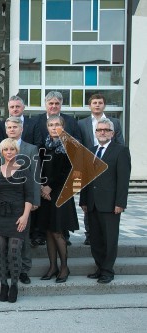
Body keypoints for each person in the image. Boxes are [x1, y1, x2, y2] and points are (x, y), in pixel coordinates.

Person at [0, 117, 40, 285]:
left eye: (14, 127)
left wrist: (34, 201)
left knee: (22, 238)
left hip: (23, 202)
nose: (12, 129)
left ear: (21, 129)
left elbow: (35, 176)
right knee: (3, 241)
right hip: (2, 204)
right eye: (9, 127)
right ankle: (3, 270)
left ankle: (23, 270)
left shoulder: (31, 149)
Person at [80, 118, 131, 284]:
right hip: (92, 203)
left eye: (106, 130)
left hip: (110, 204)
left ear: (112, 133)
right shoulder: (91, 150)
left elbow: (123, 180)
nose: (102, 132)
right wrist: (83, 201)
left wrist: (120, 203)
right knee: (95, 239)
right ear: (95, 133)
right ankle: (100, 267)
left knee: (109, 239)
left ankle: (108, 271)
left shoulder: (120, 151)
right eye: (99, 130)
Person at [0, 138, 34, 303]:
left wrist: (25, 216)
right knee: (0, 251)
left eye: (11, 149)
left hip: (18, 216)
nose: (9, 152)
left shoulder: (24, 170)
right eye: (6, 150)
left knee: (14, 252)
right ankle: (3, 285)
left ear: (16, 151)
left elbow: (30, 196)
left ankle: (14, 285)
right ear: (2, 152)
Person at [34, 91, 82, 246]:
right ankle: (40, 234)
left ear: (61, 104)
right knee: (46, 218)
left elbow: (71, 163)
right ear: (45, 104)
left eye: (56, 103)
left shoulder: (71, 122)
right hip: (44, 183)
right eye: (50, 103)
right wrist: (42, 185)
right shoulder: (37, 121)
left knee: (60, 221)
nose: (53, 106)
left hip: (61, 186)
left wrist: (50, 186)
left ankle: (63, 236)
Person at [78, 93, 125, 245]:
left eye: (100, 102)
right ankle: (89, 234)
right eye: (94, 102)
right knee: (90, 204)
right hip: (90, 163)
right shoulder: (82, 123)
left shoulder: (114, 122)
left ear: (104, 105)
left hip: (110, 165)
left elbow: (120, 143)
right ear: (89, 106)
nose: (97, 105)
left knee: (106, 205)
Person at [38, 116, 79, 283]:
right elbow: (38, 169)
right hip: (44, 194)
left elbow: (69, 172)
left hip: (60, 193)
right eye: (50, 124)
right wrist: (42, 186)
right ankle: (52, 266)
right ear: (47, 127)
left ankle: (64, 267)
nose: (54, 127)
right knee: (48, 230)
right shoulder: (42, 147)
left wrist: (50, 187)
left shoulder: (70, 147)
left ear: (63, 127)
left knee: (57, 230)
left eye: (57, 125)